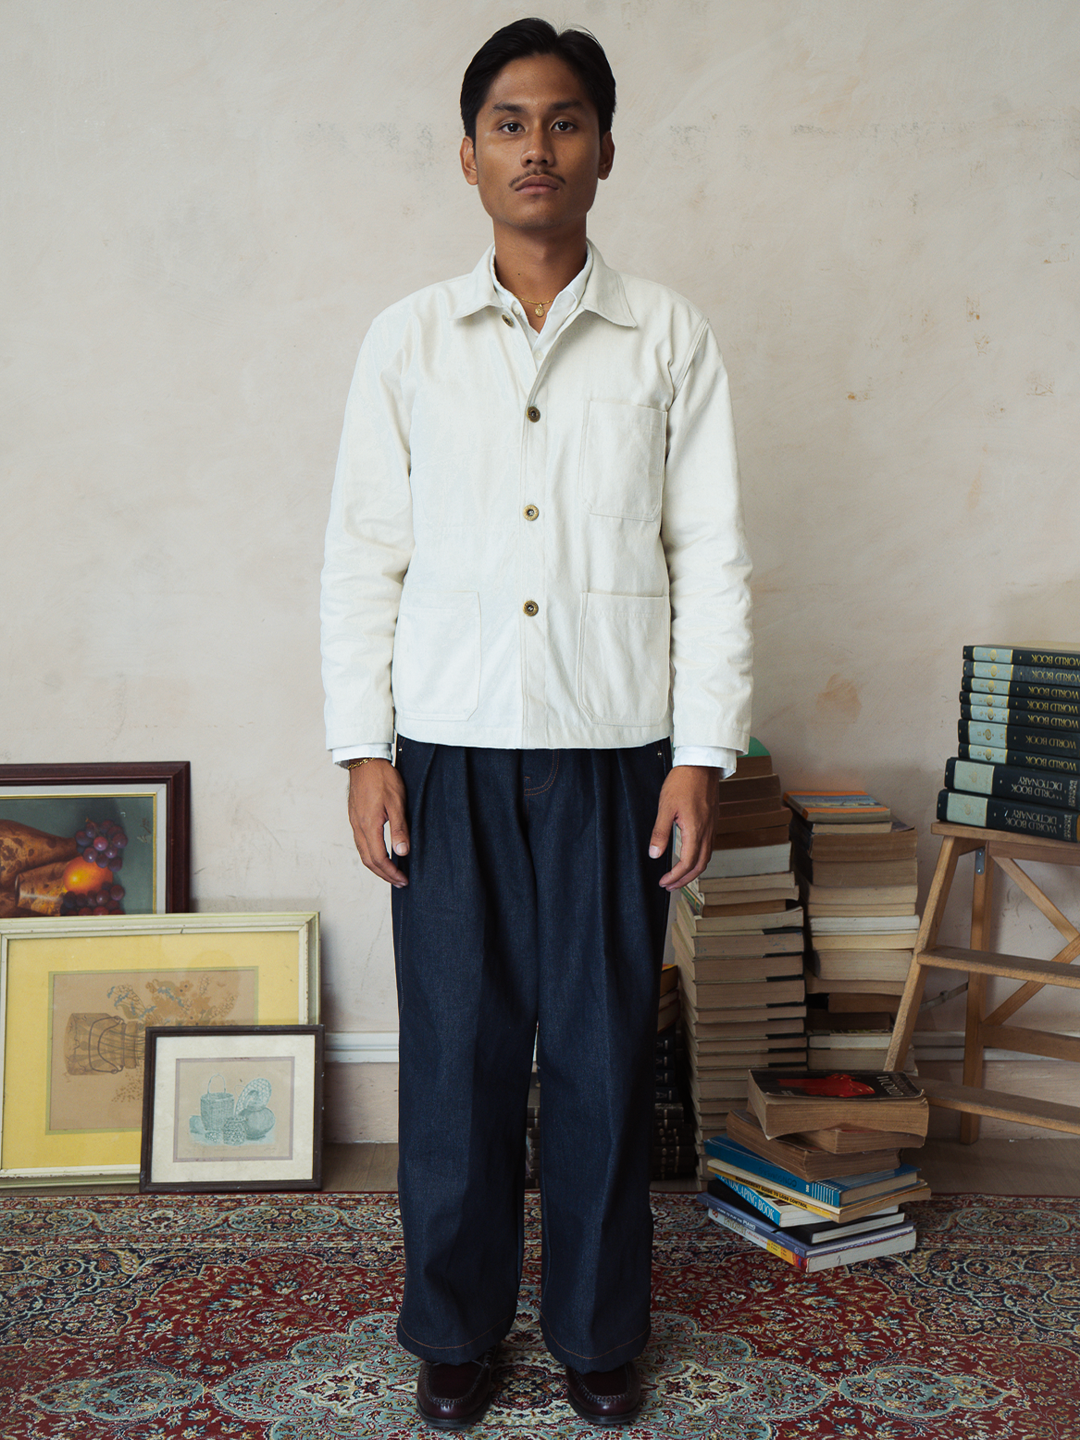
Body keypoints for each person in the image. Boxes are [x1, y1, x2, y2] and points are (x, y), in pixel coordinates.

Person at [320, 17, 752, 1429]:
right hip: (445, 751)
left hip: (615, 753)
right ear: (468, 155)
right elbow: (362, 557)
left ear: (605, 150)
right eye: (508, 123)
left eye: (564, 121)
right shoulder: (406, 341)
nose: (537, 148)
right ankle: (454, 1330)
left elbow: (712, 557)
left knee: (603, 1059)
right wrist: (365, 750)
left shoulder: (667, 336)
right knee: (454, 1056)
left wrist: (700, 755)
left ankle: (596, 1333)